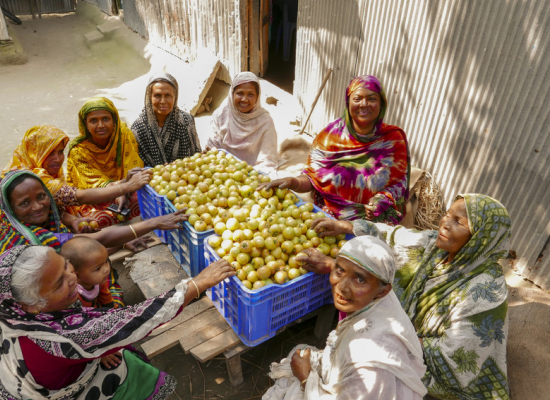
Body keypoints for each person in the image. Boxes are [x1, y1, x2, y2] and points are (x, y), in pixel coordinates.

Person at [298, 194, 511, 400]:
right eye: (447, 214)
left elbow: (454, 358)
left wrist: (390, 338)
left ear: (481, 238)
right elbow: (396, 238)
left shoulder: (486, 294)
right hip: (406, 332)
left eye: (458, 222)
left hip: (442, 372)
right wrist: (349, 227)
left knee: (370, 364)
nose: (444, 223)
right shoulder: (437, 248)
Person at [0, 244, 235, 399]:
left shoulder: (6, 305)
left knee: (113, 352)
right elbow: (135, 319)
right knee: (125, 366)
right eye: (58, 283)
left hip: (16, 371)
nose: (72, 277)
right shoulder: (64, 338)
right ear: (32, 304)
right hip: (37, 390)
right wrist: (196, 284)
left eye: (65, 265)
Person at [0, 169, 188, 308]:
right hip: (40, 309)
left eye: (41, 196)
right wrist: (154, 222)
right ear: (10, 209)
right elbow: (98, 239)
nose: (37, 206)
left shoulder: (48, 225)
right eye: (24, 203)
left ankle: (104, 307)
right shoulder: (30, 240)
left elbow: (85, 251)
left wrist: (123, 240)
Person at [0, 125, 151, 279]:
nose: (57, 159)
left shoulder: (38, 179)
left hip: (32, 231)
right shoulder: (31, 180)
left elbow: (57, 207)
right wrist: (126, 189)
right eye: (49, 153)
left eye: (60, 152)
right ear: (35, 152)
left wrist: (72, 221)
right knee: (63, 267)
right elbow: (81, 197)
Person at [263, 236, 427, 400]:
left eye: (359, 279)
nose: (341, 287)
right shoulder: (382, 301)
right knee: (300, 352)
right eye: (339, 270)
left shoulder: (368, 366)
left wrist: (306, 379)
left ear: (383, 290)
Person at [259, 75, 409, 224]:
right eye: (357, 99)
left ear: (381, 104)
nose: (364, 104)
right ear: (348, 102)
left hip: (372, 221)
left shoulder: (393, 140)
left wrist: (381, 200)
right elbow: (313, 179)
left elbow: (399, 184)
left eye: (372, 99)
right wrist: (292, 181)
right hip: (329, 217)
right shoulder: (329, 137)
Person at [67, 97, 146, 228]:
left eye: (105, 119)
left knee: (145, 200)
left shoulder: (123, 134)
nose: (100, 125)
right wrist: (117, 192)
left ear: (114, 120)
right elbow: (93, 185)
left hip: (128, 188)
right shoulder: (78, 150)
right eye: (93, 121)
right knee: (96, 221)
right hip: (97, 197)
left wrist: (123, 192)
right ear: (85, 124)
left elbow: (133, 169)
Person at [206, 72, 278, 174]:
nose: (244, 99)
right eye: (240, 93)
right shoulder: (221, 115)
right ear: (232, 93)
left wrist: (248, 176)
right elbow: (212, 147)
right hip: (221, 170)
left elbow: (268, 160)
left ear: (257, 97)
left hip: (251, 175)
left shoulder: (265, 121)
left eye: (250, 94)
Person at [131, 73, 202, 168]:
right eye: (157, 95)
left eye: (168, 95)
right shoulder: (139, 128)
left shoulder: (186, 121)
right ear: (149, 97)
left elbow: (196, 155)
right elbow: (136, 165)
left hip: (185, 177)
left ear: (175, 97)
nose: (163, 101)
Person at [61, 236, 119, 308]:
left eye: (106, 261)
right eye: (98, 268)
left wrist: (113, 308)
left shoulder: (100, 280)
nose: (106, 269)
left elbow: (105, 296)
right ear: (77, 275)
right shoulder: (75, 296)